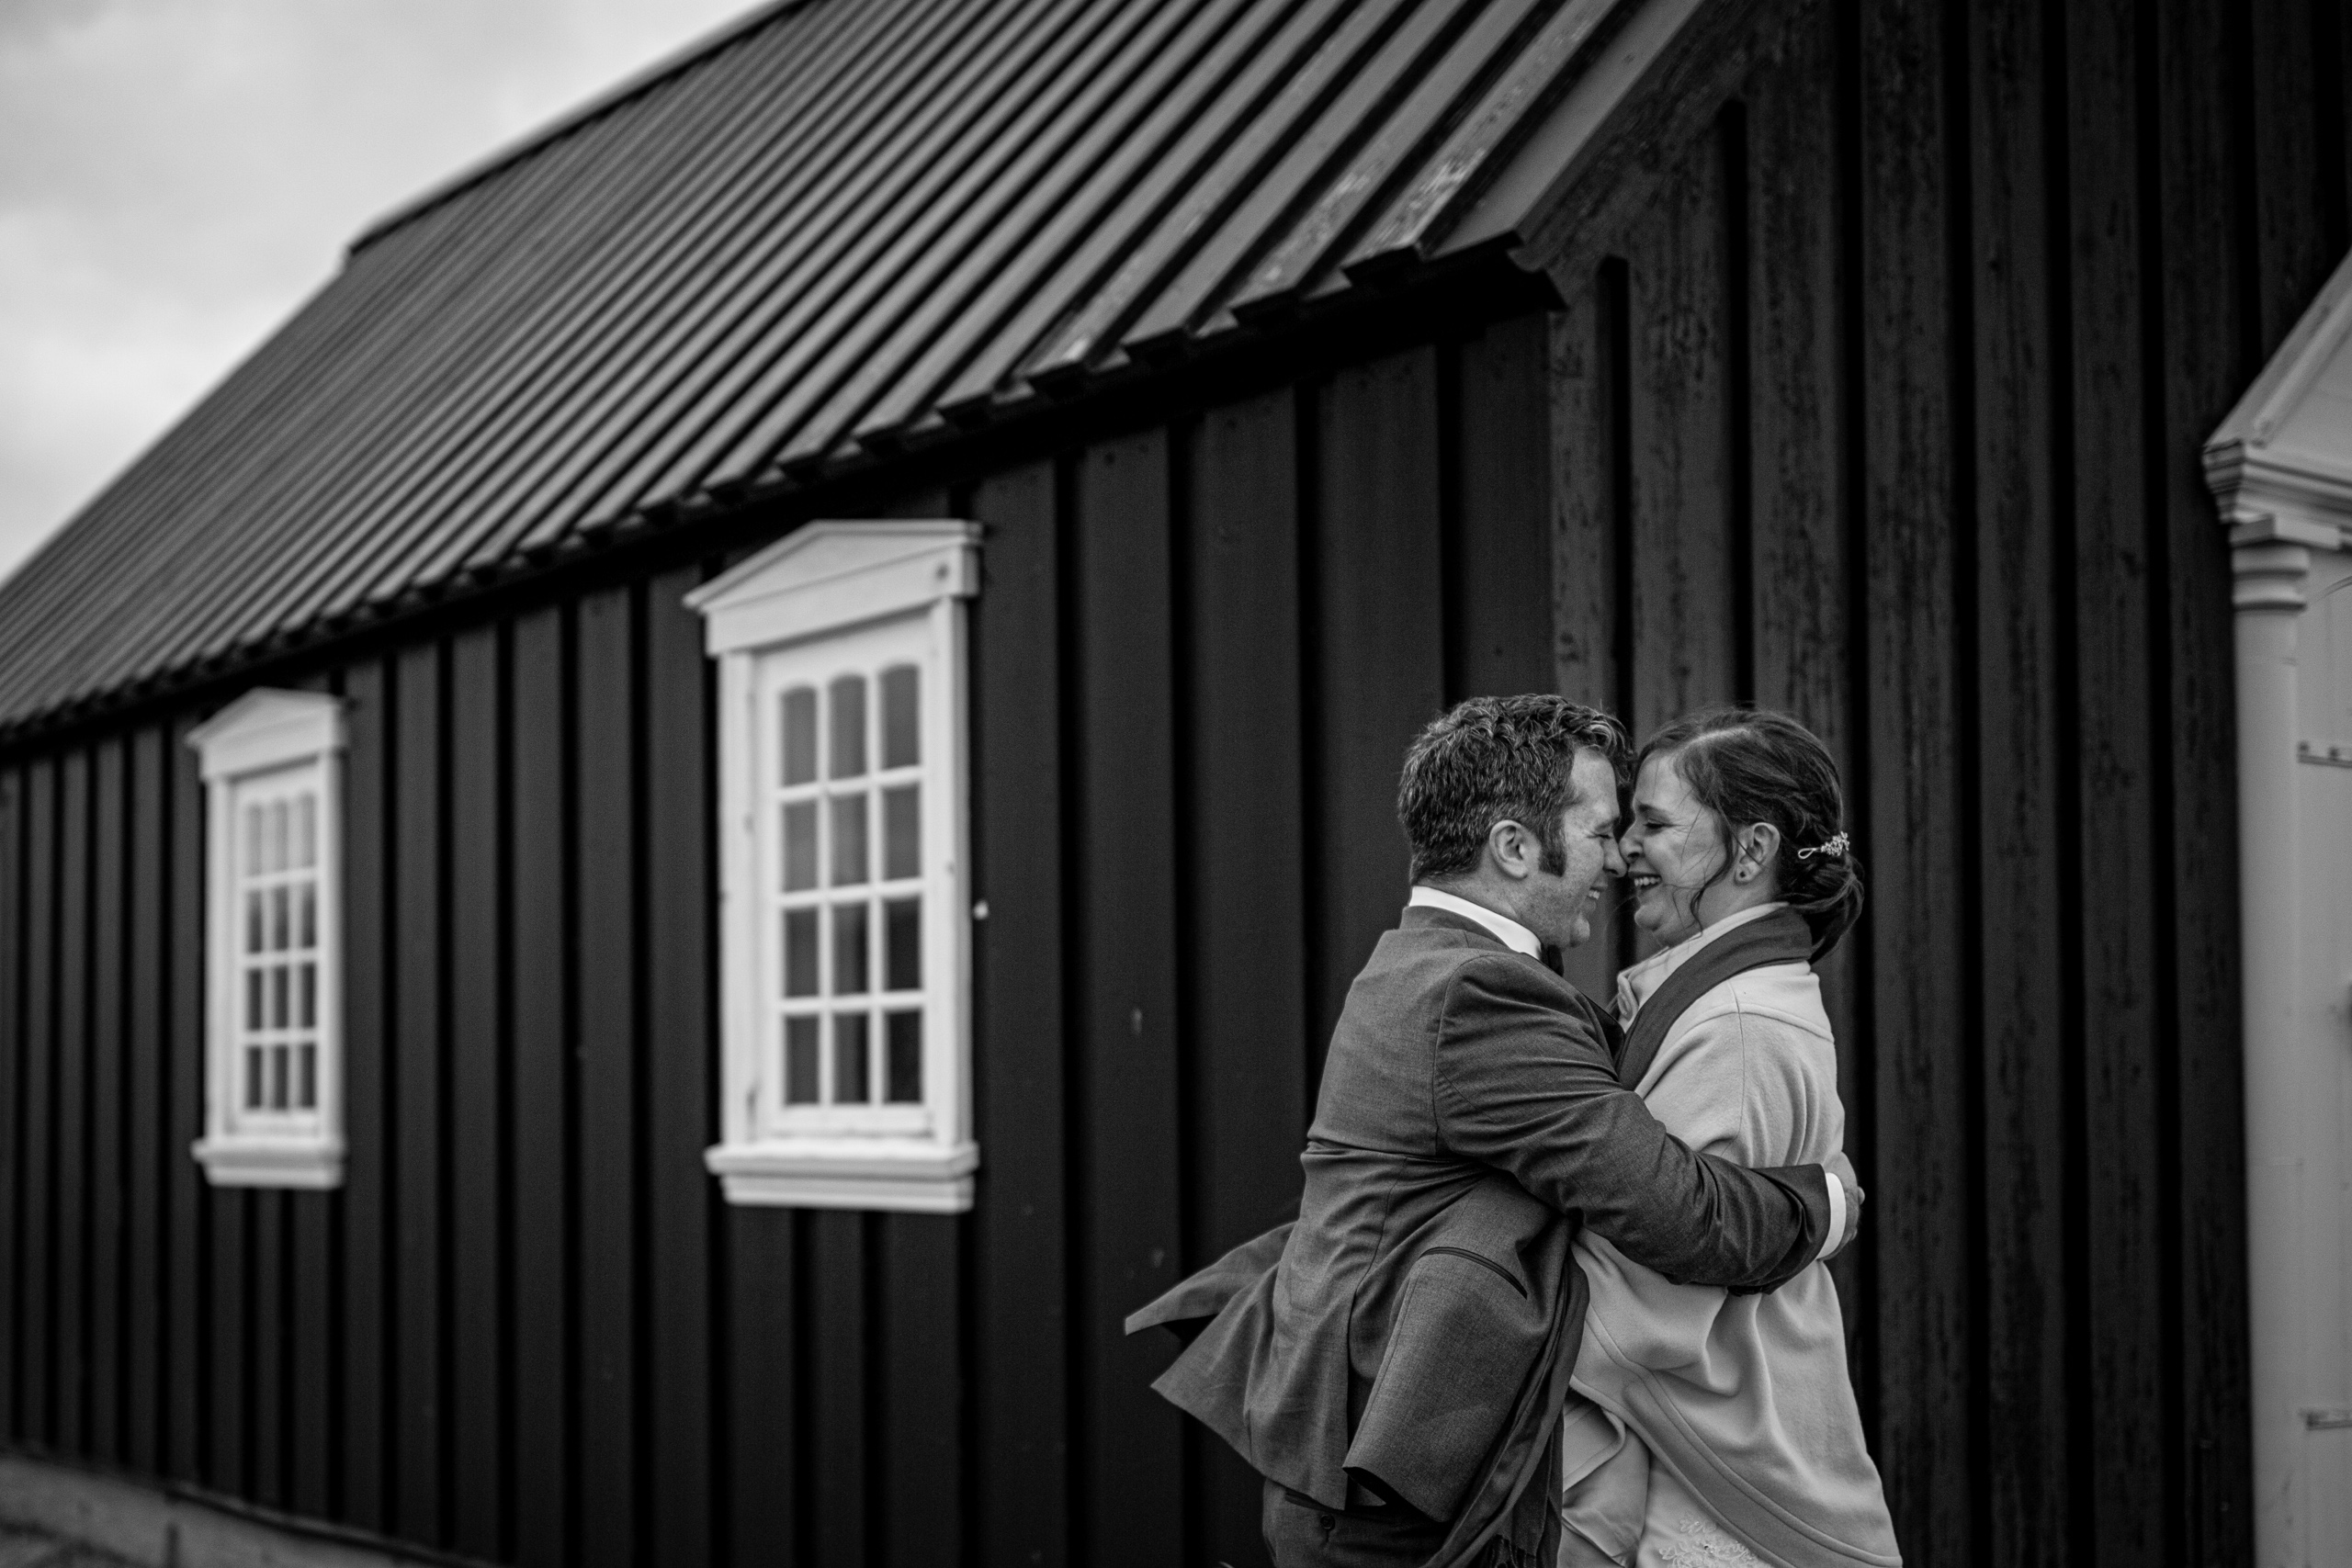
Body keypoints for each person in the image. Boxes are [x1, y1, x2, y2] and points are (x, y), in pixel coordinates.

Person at [1125, 695, 1863, 1568]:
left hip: (1370, 1467)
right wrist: (1830, 1197)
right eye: (1598, 830)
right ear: (1514, 847)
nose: (1617, 856)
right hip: (1388, 1503)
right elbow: (1682, 1216)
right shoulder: (1479, 994)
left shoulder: (1429, 963)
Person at [1556, 707, 1899, 1567]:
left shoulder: (1737, 1023)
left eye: (1656, 824)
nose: (1622, 847)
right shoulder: (1733, 998)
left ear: (1750, 852)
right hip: (1708, 1454)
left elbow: (1649, 1305)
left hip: (1717, 1487)